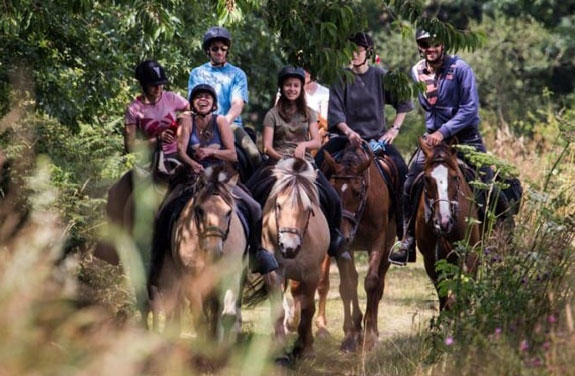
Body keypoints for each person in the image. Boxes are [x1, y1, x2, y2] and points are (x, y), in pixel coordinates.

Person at [388, 29, 510, 265]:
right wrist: (434, 135)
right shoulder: (417, 71)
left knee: (489, 187)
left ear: (443, 45)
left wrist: (443, 131)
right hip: (434, 142)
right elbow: (428, 108)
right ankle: (408, 239)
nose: (429, 48)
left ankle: (497, 241)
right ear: (419, 47)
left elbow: (469, 109)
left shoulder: (460, 69)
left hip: (465, 138)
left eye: (434, 44)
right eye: (424, 44)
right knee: (409, 183)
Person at [149, 84, 278, 281]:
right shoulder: (186, 120)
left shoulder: (221, 121)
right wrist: (192, 163)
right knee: (165, 211)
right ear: (192, 102)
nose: (203, 100)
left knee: (253, 207)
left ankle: (258, 254)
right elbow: (180, 150)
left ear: (214, 103)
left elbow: (232, 154)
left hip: (221, 177)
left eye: (207, 97)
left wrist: (211, 152)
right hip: (191, 176)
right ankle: (157, 263)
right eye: (199, 97)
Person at [315, 31, 413, 240]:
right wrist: (349, 132)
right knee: (317, 165)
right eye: (350, 50)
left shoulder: (381, 76)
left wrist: (394, 129)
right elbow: (336, 113)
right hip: (344, 139)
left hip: (375, 141)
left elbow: (404, 102)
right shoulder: (340, 77)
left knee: (402, 170)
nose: (354, 54)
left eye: (358, 50)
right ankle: (320, 223)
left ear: (368, 52)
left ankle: (403, 231)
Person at [96, 60, 189, 265]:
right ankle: (111, 248)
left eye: (161, 84)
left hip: (176, 156)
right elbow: (129, 145)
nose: (158, 88)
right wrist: (155, 140)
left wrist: (182, 127)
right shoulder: (134, 109)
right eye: (153, 84)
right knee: (115, 193)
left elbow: (194, 112)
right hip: (147, 161)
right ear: (143, 85)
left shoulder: (173, 99)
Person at [247, 66, 345, 257]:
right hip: (277, 162)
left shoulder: (309, 113)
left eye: (295, 85)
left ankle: (334, 237)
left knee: (332, 197)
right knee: (251, 192)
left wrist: (304, 146)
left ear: (301, 88)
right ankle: (253, 244)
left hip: (304, 162)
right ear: (282, 88)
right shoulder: (272, 114)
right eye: (287, 85)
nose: (291, 89)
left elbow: (317, 140)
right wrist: (282, 157)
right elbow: (267, 146)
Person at [188, 26, 261, 180]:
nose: (220, 52)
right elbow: (193, 103)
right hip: (202, 125)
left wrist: (223, 123)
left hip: (231, 125)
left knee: (254, 155)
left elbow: (237, 104)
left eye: (223, 48)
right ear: (208, 50)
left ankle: (255, 193)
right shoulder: (197, 73)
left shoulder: (237, 74)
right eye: (215, 49)